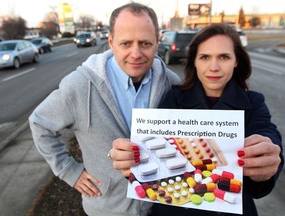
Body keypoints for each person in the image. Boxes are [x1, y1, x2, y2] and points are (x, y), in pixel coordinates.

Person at [110, 23, 284, 216]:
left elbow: (267, 132)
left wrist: (269, 154)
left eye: (224, 57)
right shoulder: (173, 98)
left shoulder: (254, 102)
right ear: (194, 61)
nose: (214, 67)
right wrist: (131, 156)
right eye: (205, 57)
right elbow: (151, 153)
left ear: (236, 61)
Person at [28, 2, 180, 216]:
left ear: (157, 41)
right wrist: (69, 170)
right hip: (106, 208)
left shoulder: (171, 84)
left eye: (145, 43)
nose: (135, 53)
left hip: (158, 205)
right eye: (126, 43)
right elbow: (40, 123)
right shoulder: (80, 85)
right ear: (111, 43)